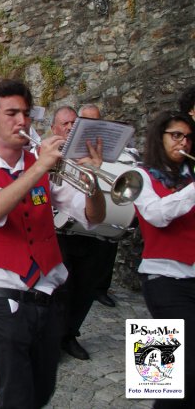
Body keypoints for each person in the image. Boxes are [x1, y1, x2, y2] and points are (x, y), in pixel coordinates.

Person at [0, 79, 105, 408]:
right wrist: (39, 166)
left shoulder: (42, 166)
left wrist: (92, 182)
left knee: (42, 394)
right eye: (11, 113)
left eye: (25, 113)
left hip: (50, 297)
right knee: (16, 398)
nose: (22, 121)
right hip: (4, 301)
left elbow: (92, 217)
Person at [132, 111, 195, 409]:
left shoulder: (190, 176)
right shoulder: (141, 175)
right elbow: (156, 215)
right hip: (162, 276)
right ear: (160, 138)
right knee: (168, 376)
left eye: (188, 137)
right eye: (176, 135)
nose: (184, 142)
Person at [50, 106, 103, 361]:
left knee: (85, 289)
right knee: (61, 290)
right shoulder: (49, 157)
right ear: (54, 129)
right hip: (60, 232)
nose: (70, 128)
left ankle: (70, 335)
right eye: (64, 124)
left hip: (93, 232)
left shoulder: (96, 156)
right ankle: (54, 337)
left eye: (74, 123)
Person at [77, 103, 119, 309]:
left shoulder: (109, 143)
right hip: (166, 273)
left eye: (98, 120)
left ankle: (100, 288)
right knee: (165, 336)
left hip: (109, 208)